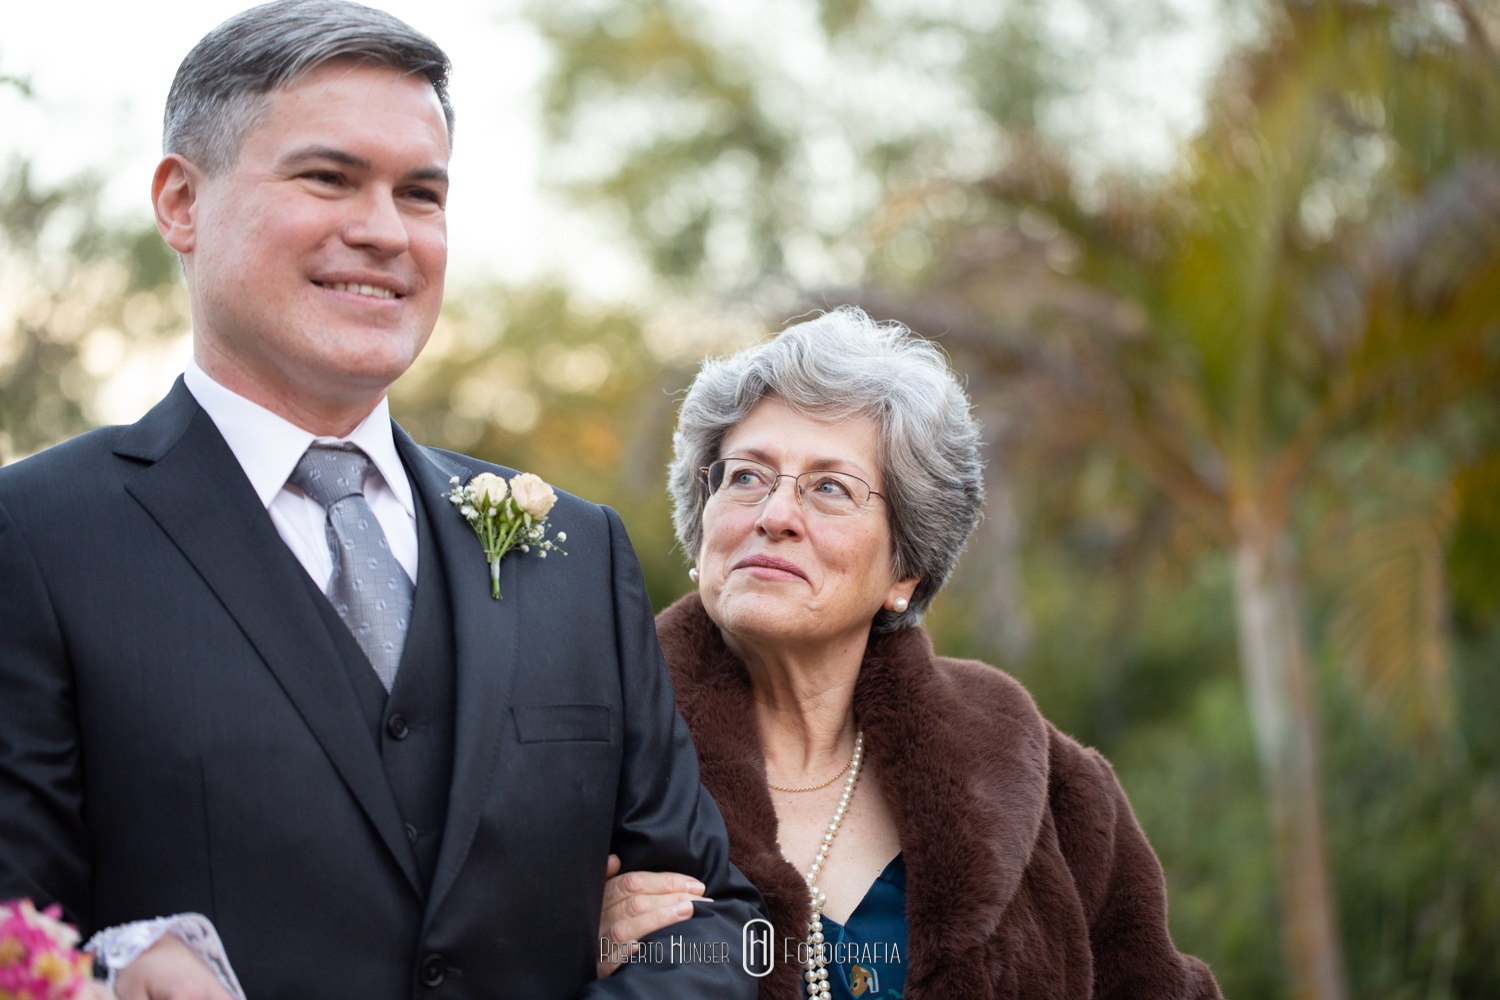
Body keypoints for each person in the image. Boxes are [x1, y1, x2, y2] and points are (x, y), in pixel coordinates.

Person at [0, 3, 762, 998]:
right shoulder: (35, 538)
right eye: (329, 178)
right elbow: (22, 937)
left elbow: (721, 927)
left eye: (421, 193)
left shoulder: (575, 547)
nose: (383, 232)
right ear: (182, 202)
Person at [615, 307, 1223, 999]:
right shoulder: (591, 755)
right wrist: (561, 950)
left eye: (829, 488)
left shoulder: (1049, 785)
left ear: (905, 570)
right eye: (747, 475)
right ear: (702, 528)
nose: (774, 514)